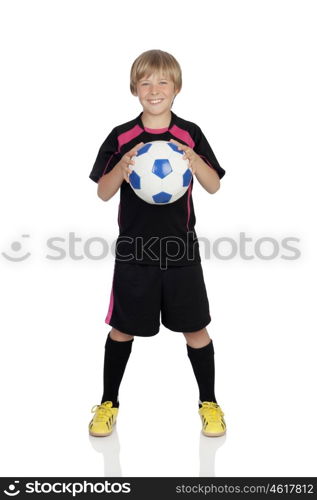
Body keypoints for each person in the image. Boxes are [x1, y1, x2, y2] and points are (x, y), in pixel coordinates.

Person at [88, 49, 227, 438]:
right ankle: (107, 404)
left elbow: (213, 185)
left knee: (196, 329)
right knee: (121, 329)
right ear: (135, 88)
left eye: (163, 81)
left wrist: (194, 160)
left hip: (181, 250)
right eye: (146, 82)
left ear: (177, 88)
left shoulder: (189, 133)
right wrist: (123, 164)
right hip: (135, 252)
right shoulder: (121, 136)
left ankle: (210, 403)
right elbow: (103, 192)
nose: (154, 89)